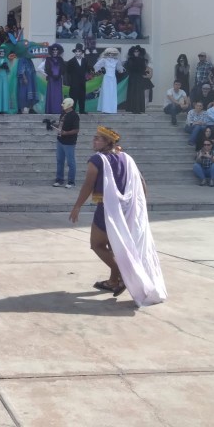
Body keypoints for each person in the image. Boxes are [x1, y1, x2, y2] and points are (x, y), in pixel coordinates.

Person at [69, 126, 166, 306]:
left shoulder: (97, 160)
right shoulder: (127, 158)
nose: (94, 141)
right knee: (113, 246)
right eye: (94, 138)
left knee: (97, 244)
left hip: (107, 209)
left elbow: (88, 185)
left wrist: (77, 207)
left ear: (108, 143)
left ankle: (122, 274)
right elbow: (141, 182)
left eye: (98, 139)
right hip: (127, 210)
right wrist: (140, 208)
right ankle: (113, 281)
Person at [53, 98, 80, 188]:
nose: (62, 105)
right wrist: (53, 124)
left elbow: (76, 130)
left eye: (64, 103)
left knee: (70, 162)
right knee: (60, 161)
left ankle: (71, 181)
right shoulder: (63, 114)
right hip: (60, 140)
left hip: (69, 142)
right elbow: (61, 125)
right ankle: (59, 180)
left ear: (69, 105)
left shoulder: (74, 116)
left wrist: (66, 133)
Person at [94, 48, 124, 114]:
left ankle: (112, 109)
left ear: (115, 54)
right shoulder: (104, 60)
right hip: (106, 78)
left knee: (112, 93)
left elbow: (120, 69)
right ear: (107, 53)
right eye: (109, 53)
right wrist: (101, 71)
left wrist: (120, 70)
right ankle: (105, 109)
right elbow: (96, 66)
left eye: (113, 54)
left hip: (113, 78)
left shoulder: (116, 61)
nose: (111, 55)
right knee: (106, 93)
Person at [38, 44, 65, 114]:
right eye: (53, 50)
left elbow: (63, 70)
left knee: (58, 95)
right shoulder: (48, 59)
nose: (55, 51)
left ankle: (58, 110)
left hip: (58, 80)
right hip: (51, 80)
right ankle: (51, 110)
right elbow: (39, 68)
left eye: (56, 50)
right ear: (51, 51)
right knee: (52, 95)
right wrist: (47, 74)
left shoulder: (61, 60)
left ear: (58, 51)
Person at [123, 45, 148, 113]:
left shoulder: (142, 60)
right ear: (132, 52)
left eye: (137, 51)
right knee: (132, 92)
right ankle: (131, 108)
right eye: (135, 51)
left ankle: (139, 109)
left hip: (139, 78)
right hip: (132, 78)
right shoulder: (130, 60)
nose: (136, 53)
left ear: (140, 52)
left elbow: (143, 69)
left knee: (139, 93)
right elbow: (128, 69)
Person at [64, 44, 88, 114]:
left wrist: (87, 77)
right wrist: (69, 82)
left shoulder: (85, 60)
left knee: (82, 97)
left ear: (82, 52)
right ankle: (72, 111)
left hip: (82, 82)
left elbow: (86, 70)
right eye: (76, 52)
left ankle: (82, 110)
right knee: (73, 97)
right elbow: (67, 73)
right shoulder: (70, 62)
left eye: (79, 51)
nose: (77, 53)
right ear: (74, 52)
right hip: (74, 83)